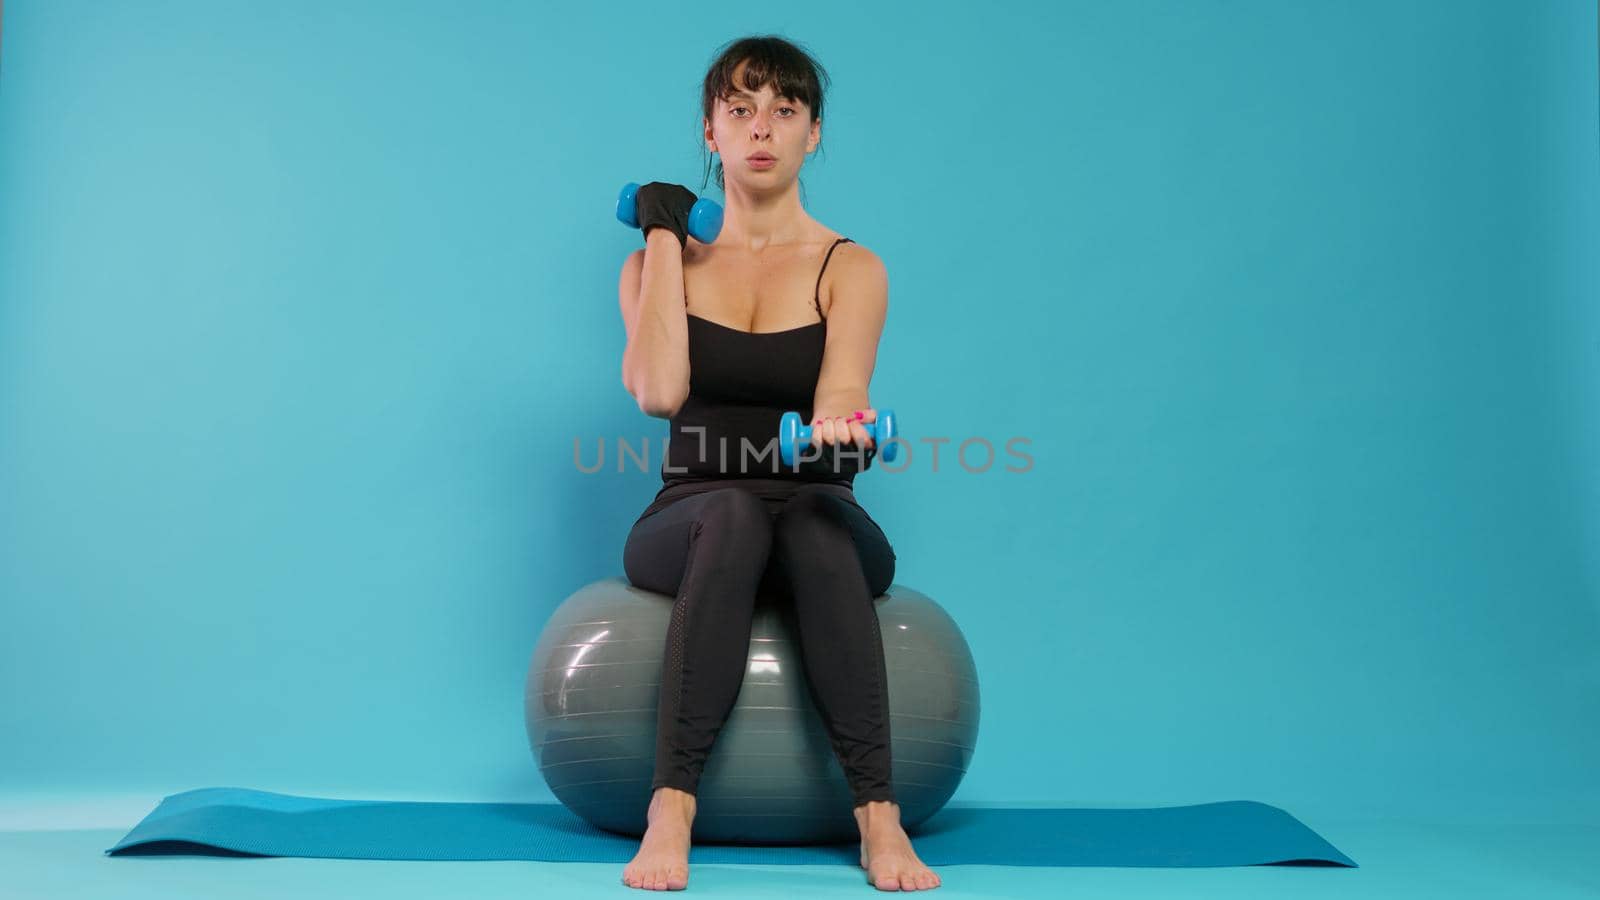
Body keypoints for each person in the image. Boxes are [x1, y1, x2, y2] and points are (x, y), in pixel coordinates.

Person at [614, 36, 941, 893]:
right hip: (690, 515)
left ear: (813, 135)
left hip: (813, 507)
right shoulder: (656, 264)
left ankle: (880, 818)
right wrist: (660, 236)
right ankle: (670, 807)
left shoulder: (851, 267)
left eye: (784, 112)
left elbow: (840, 392)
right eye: (740, 110)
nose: (762, 129)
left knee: (817, 527)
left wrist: (844, 431)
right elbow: (657, 391)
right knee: (732, 512)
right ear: (710, 132)